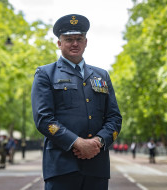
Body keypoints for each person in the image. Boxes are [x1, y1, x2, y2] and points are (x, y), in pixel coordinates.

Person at [31, 14, 122, 190]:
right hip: (62, 166)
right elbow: (44, 119)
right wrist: (77, 142)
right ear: (59, 43)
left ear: (86, 42)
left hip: (97, 167)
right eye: (69, 39)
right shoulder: (45, 74)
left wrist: (98, 142)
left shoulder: (102, 75)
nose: (75, 43)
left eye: (79, 39)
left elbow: (114, 118)